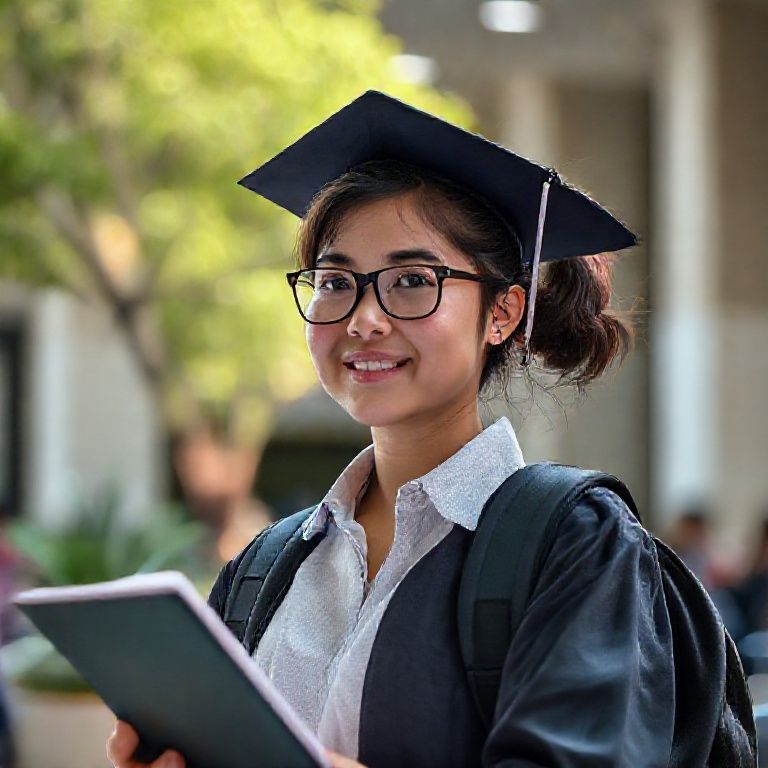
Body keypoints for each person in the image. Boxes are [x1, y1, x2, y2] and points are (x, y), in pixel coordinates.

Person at [108, 91, 675, 768]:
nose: (364, 318)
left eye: (411, 279)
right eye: (335, 280)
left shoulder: (574, 544)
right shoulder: (267, 565)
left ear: (502, 313)